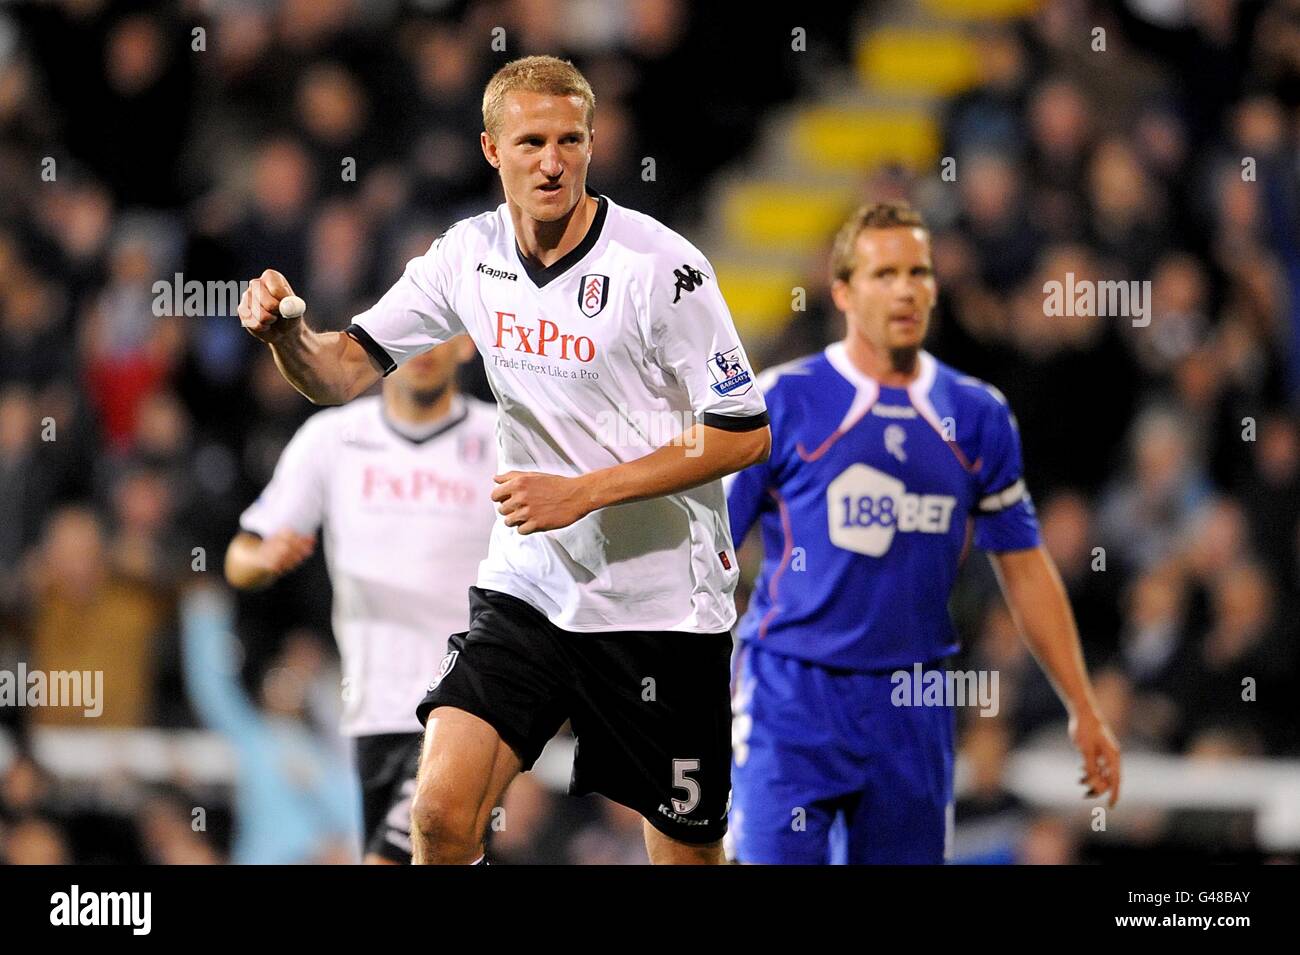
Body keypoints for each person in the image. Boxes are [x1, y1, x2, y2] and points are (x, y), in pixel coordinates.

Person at [235, 56, 770, 864]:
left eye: (570, 141)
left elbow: (740, 432)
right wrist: (286, 339)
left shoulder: (662, 267)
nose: (551, 161)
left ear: (592, 146)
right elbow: (340, 371)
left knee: (688, 856)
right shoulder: (466, 256)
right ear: (492, 150)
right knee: (442, 817)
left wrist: (584, 493)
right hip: (530, 584)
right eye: (530, 143)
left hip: (662, 604)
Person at [725, 201, 1121, 864]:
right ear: (844, 291)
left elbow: (1023, 566)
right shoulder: (783, 401)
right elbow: (706, 554)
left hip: (914, 705)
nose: (905, 288)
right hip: (792, 697)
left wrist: (1082, 703)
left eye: (918, 271)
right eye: (884, 274)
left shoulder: (976, 415)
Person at [224, 338, 497, 863]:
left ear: (467, 344)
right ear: (382, 343)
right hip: (370, 711)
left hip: (467, 706)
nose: (425, 348)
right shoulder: (333, 438)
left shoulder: (500, 437)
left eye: (441, 331)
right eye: (412, 332)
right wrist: (265, 560)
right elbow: (240, 556)